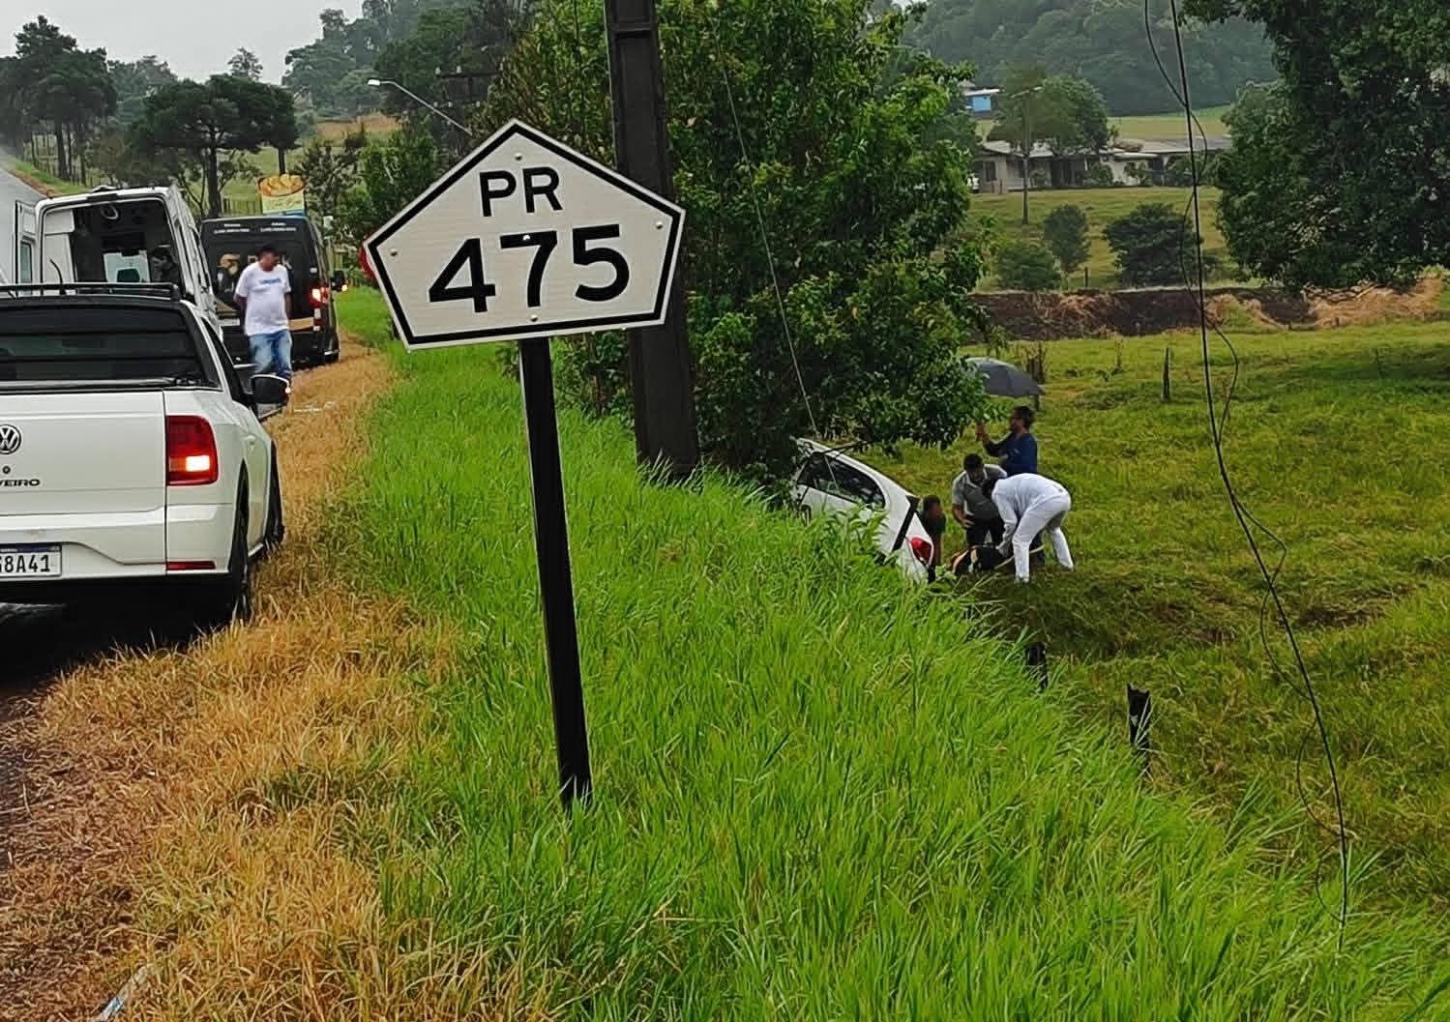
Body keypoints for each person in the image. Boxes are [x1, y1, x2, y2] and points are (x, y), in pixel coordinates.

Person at [982, 472, 1074, 583]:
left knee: (1020, 540)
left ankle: (1022, 579)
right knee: (1053, 529)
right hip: (1064, 497)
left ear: (989, 492)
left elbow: (1011, 523)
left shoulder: (997, 493)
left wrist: (1004, 547)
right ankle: (1067, 566)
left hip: (1047, 500)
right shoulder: (1010, 483)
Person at [234, 244, 293, 383]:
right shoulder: (250, 273)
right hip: (258, 328)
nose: (276, 262)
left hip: (280, 327)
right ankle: (262, 393)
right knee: (263, 364)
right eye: (274, 259)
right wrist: (249, 310)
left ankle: (284, 392)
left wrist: (286, 317)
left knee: (284, 364)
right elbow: (238, 297)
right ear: (264, 257)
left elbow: (286, 294)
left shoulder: (282, 271)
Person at [951, 453, 1007, 549]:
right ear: (966, 471)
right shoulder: (959, 483)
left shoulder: (997, 473)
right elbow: (957, 507)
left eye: (978, 471)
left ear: (982, 466)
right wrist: (962, 520)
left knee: (1003, 544)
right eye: (971, 473)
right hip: (975, 517)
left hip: (998, 514)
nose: (976, 475)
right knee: (974, 547)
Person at [975, 405, 1039, 476]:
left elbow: (1028, 469)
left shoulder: (1028, 442)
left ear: (1021, 421)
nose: (1010, 421)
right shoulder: (1012, 437)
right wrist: (983, 434)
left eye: (1012, 418)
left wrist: (1005, 463)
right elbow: (994, 450)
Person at [919, 495, 948, 581]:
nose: (939, 512)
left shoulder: (940, 519)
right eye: (936, 510)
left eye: (939, 508)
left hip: (930, 542)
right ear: (927, 512)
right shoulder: (919, 519)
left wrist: (938, 565)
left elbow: (937, 543)